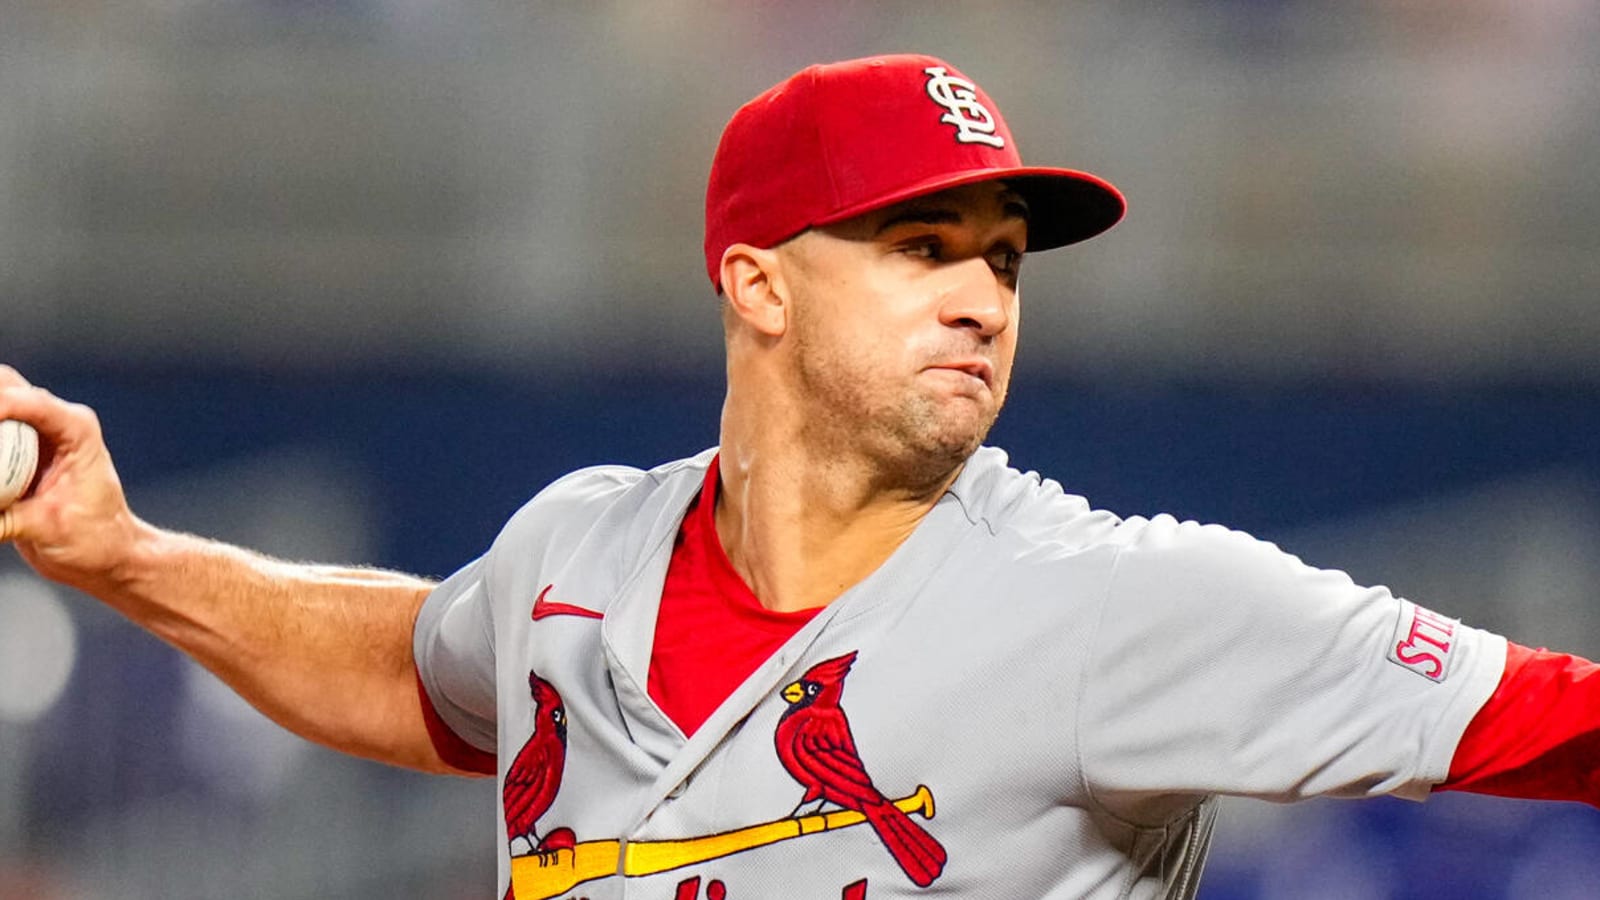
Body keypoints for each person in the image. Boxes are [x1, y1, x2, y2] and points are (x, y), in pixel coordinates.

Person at [0, 53, 1596, 900]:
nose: (984, 296)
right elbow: (426, 677)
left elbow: (1559, 719)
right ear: (757, 285)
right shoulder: (580, 549)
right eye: (921, 248)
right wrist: (120, 554)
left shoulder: (1121, 605)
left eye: (1006, 262)